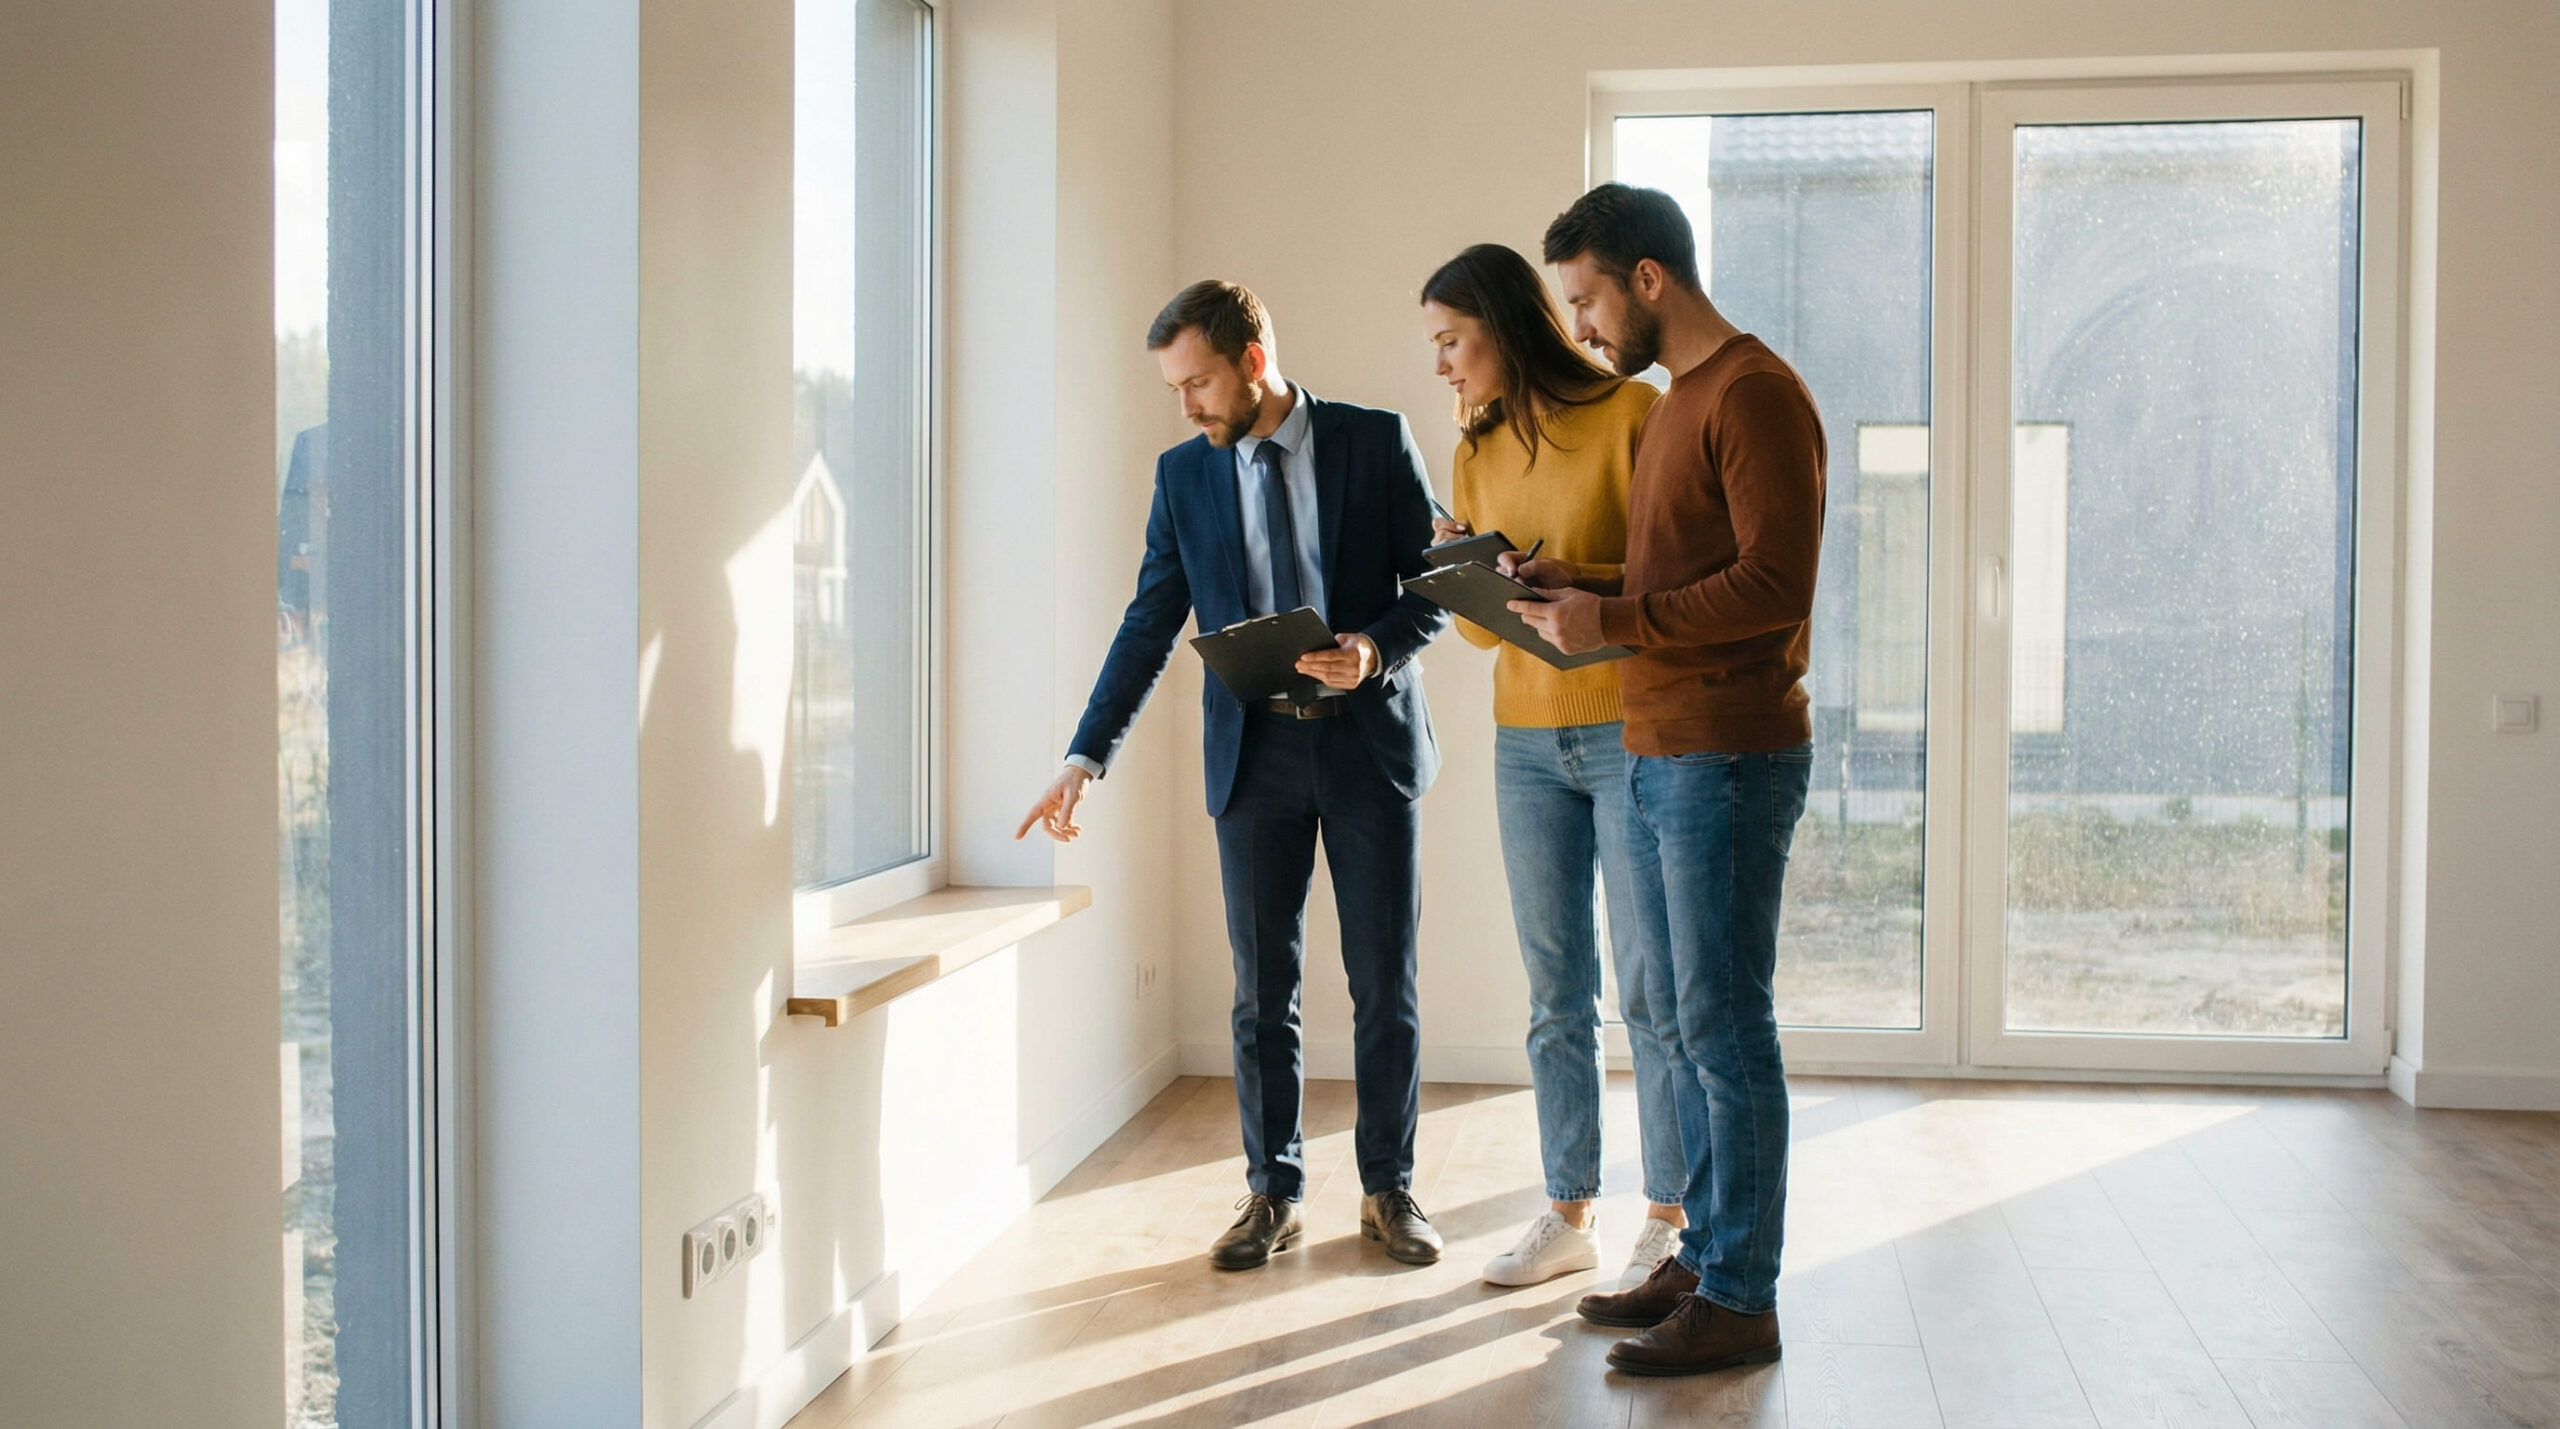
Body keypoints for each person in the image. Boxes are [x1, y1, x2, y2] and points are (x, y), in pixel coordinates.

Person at [1018, 280, 1454, 1272]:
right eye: (1175, 387)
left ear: (1252, 361)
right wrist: (1084, 755)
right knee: (1263, 991)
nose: (1187, 406)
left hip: (1368, 746)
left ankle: (1389, 1189)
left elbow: (1431, 585)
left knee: (1383, 981)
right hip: (1252, 757)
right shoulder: (1184, 476)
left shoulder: (1371, 439)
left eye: (1199, 382)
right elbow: (1148, 622)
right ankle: (1273, 1190)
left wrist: (1374, 651)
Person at [1506, 184, 1825, 1378]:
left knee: (1726, 1028)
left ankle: (1743, 1298)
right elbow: (1671, 570)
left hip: (1728, 753)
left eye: (1586, 299)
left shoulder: (1752, 393)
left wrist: (1614, 613)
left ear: (1649, 279)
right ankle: (1709, 1259)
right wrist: (1562, 579)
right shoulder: (1681, 401)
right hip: (1663, 746)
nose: (1581, 328)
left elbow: (1770, 585)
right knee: (1690, 1027)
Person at [1417, 243, 1689, 1291]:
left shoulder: (1632, 416)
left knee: (1652, 989)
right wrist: (1472, 579)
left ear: (1504, 326)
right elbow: (1489, 643)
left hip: (1627, 730)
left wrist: (1570, 577)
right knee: (1554, 992)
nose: (1442, 364)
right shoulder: (1475, 449)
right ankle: (1566, 1209)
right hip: (1524, 742)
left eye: (1453, 340)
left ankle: (1666, 1217)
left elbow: (1666, 578)